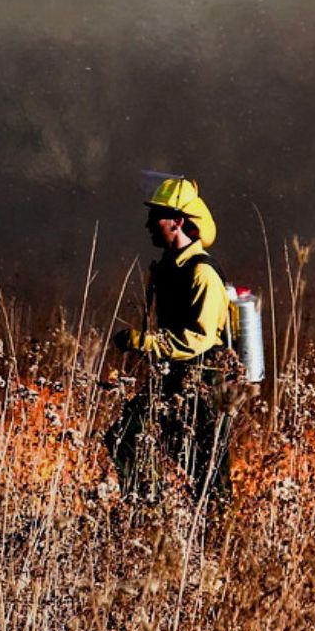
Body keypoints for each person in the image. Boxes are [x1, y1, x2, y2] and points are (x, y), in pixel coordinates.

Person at [103, 177, 240, 506]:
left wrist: (146, 342)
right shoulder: (169, 267)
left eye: (157, 216)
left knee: (207, 469)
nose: (149, 224)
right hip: (175, 373)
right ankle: (147, 510)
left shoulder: (202, 272)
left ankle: (218, 527)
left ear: (177, 221)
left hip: (206, 377)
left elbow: (200, 338)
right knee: (125, 437)